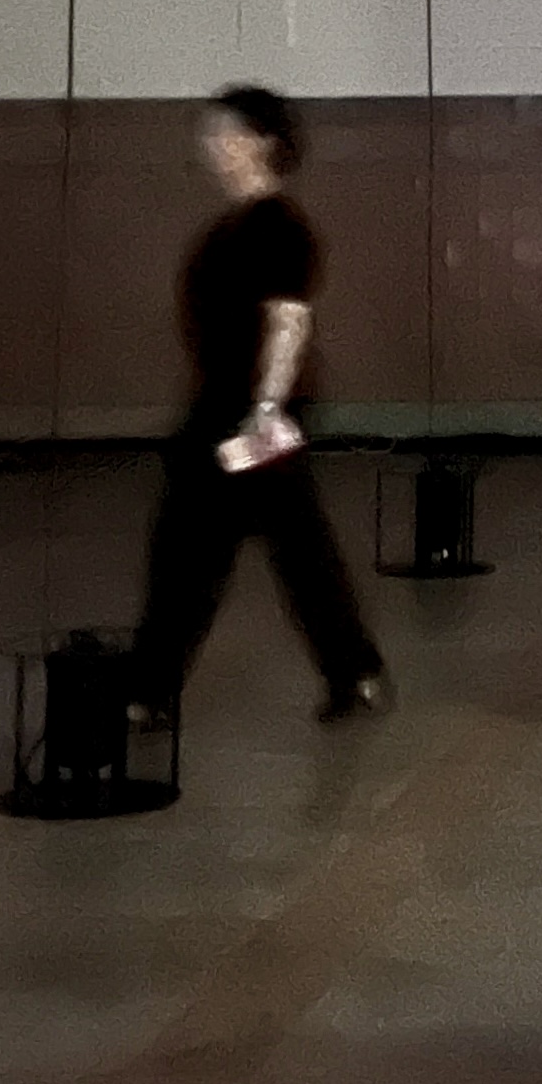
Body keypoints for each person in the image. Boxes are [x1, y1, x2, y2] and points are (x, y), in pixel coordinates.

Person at [130, 86, 386, 725]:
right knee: (291, 547)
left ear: (265, 143)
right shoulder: (230, 226)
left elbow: (288, 322)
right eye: (210, 134)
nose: (213, 146)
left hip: (249, 414)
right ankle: (356, 674)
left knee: (191, 547)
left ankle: (149, 691)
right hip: (230, 406)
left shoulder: (277, 227)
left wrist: (265, 413)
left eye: (228, 133)